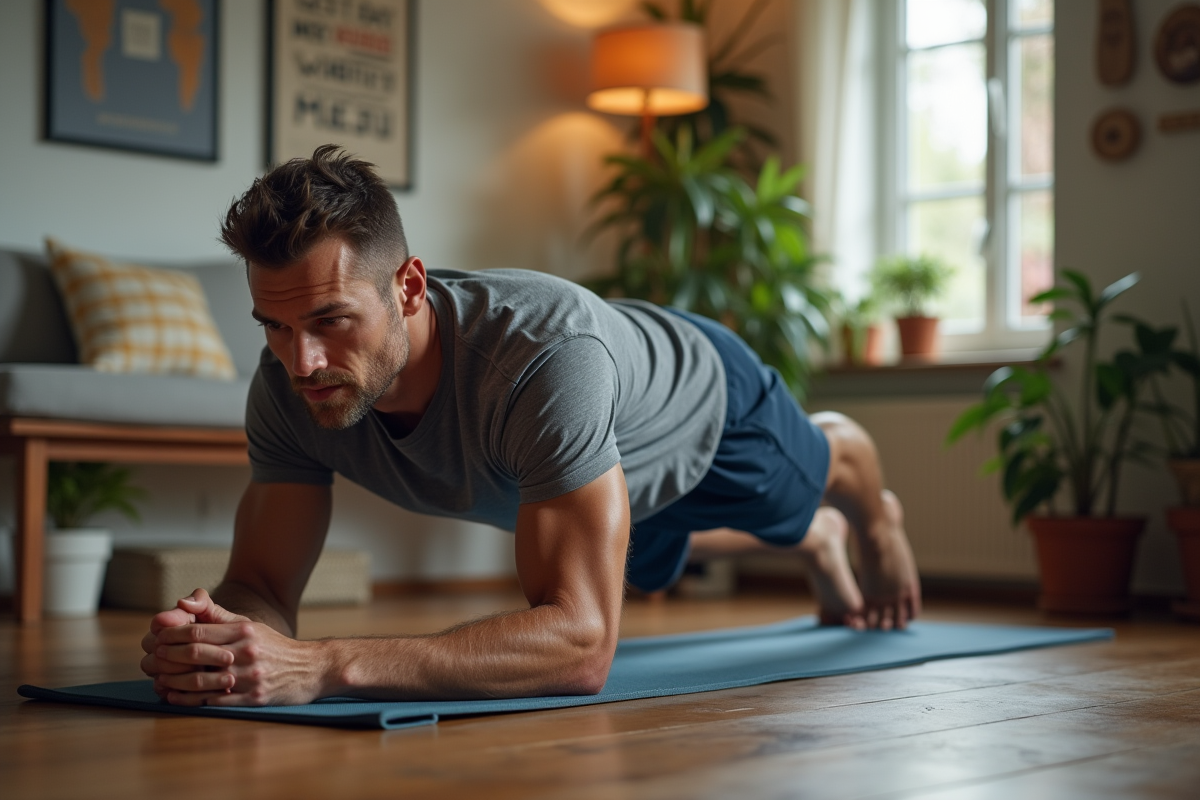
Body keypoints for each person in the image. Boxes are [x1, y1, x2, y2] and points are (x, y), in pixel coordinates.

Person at [140, 145, 920, 707]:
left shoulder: (542, 358)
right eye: (274, 327)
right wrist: (217, 641)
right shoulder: (287, 386)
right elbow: (266, 585)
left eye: (330, 320)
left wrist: (319, 665)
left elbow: (581, 644)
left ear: (409, 287)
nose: (302, 361)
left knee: (812, 478)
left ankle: (863, 515)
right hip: (602, 477)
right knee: (641, 557)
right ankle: (812, 539)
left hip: (705, 408)